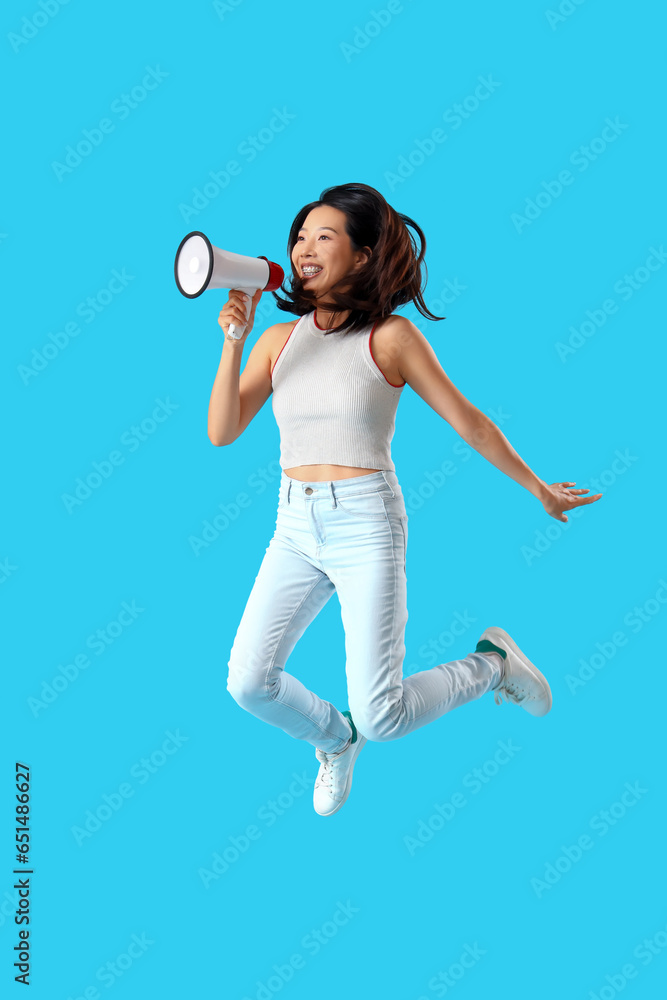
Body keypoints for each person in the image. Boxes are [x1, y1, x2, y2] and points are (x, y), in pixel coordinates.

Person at [208, 182, 602, 818]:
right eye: (300, 236)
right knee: (248, 683)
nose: (304, 248)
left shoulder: (389, 338)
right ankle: (336, 739)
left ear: (363, 256)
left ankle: (492, 663)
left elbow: (467, 419)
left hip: (365, 522)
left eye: (324, 237)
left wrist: (537, 487)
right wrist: (233, 337)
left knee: (385, 715)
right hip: (294, 524)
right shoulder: (279, 340)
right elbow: (222, 430)